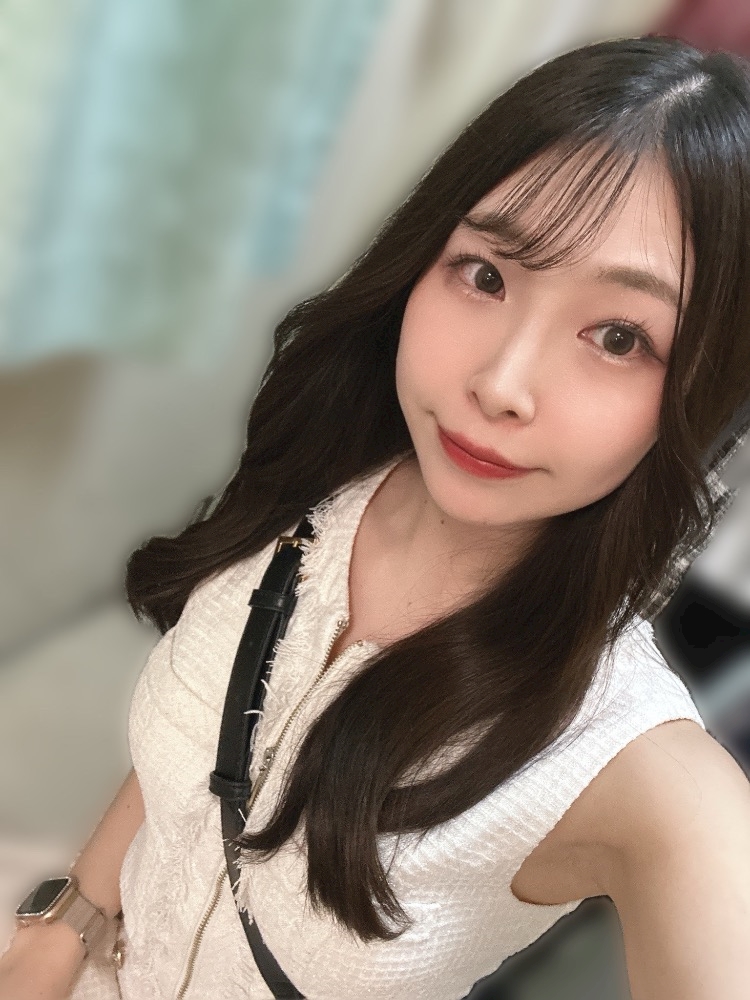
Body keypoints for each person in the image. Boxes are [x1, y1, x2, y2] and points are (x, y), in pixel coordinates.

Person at [2, 34, 750, 1000]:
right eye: (486, 275)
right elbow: (211, 731)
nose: (501, 384)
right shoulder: (327, 465)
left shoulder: (620, 756)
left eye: (619, 337)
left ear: (703, 394)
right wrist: (68, 924)